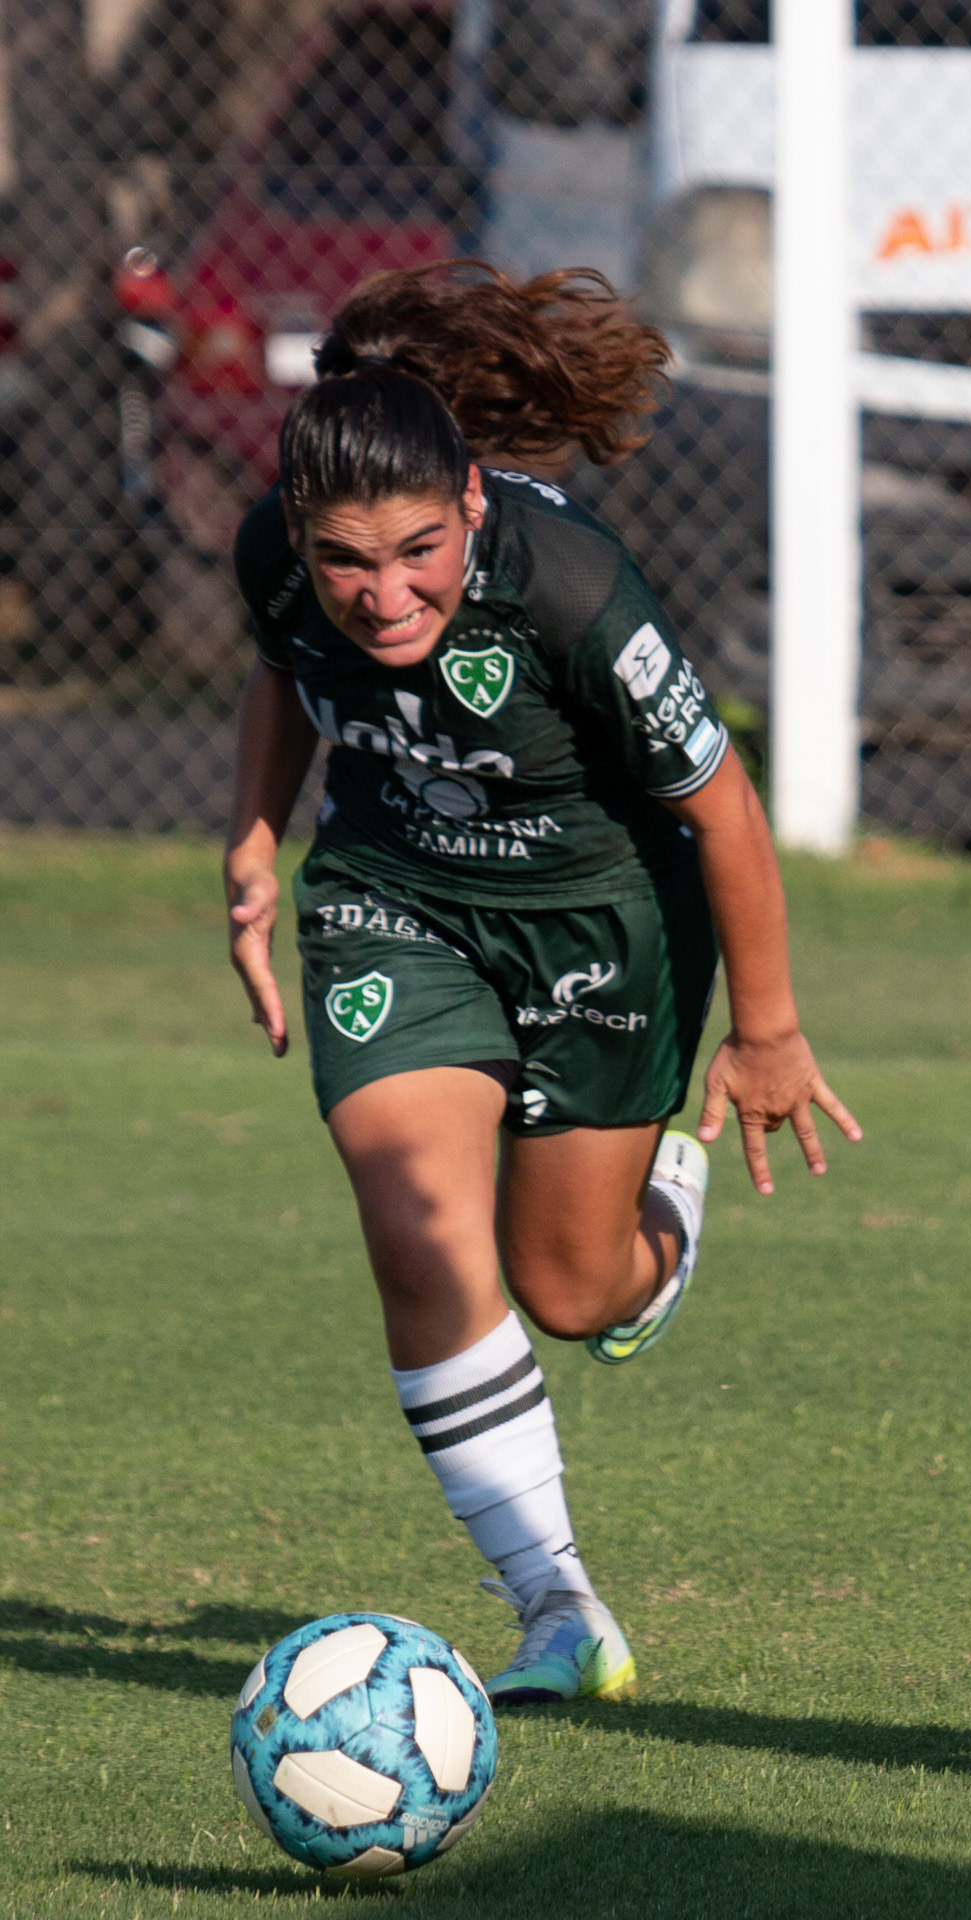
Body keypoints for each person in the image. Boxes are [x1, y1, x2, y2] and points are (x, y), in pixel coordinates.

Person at [224, 263, 859, 1705]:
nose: (383, 597)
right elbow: (282, 671)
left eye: (417, 555)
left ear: (471, 502)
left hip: (600, 922)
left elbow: (724, 809)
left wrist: (767, 1031)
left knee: (571, 1291)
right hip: (396, 901)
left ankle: (660, 1231)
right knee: (421, 1224)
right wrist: (255, 840)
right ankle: (556, 1605)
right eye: (345, 562)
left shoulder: (572, 589)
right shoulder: (276, 555)